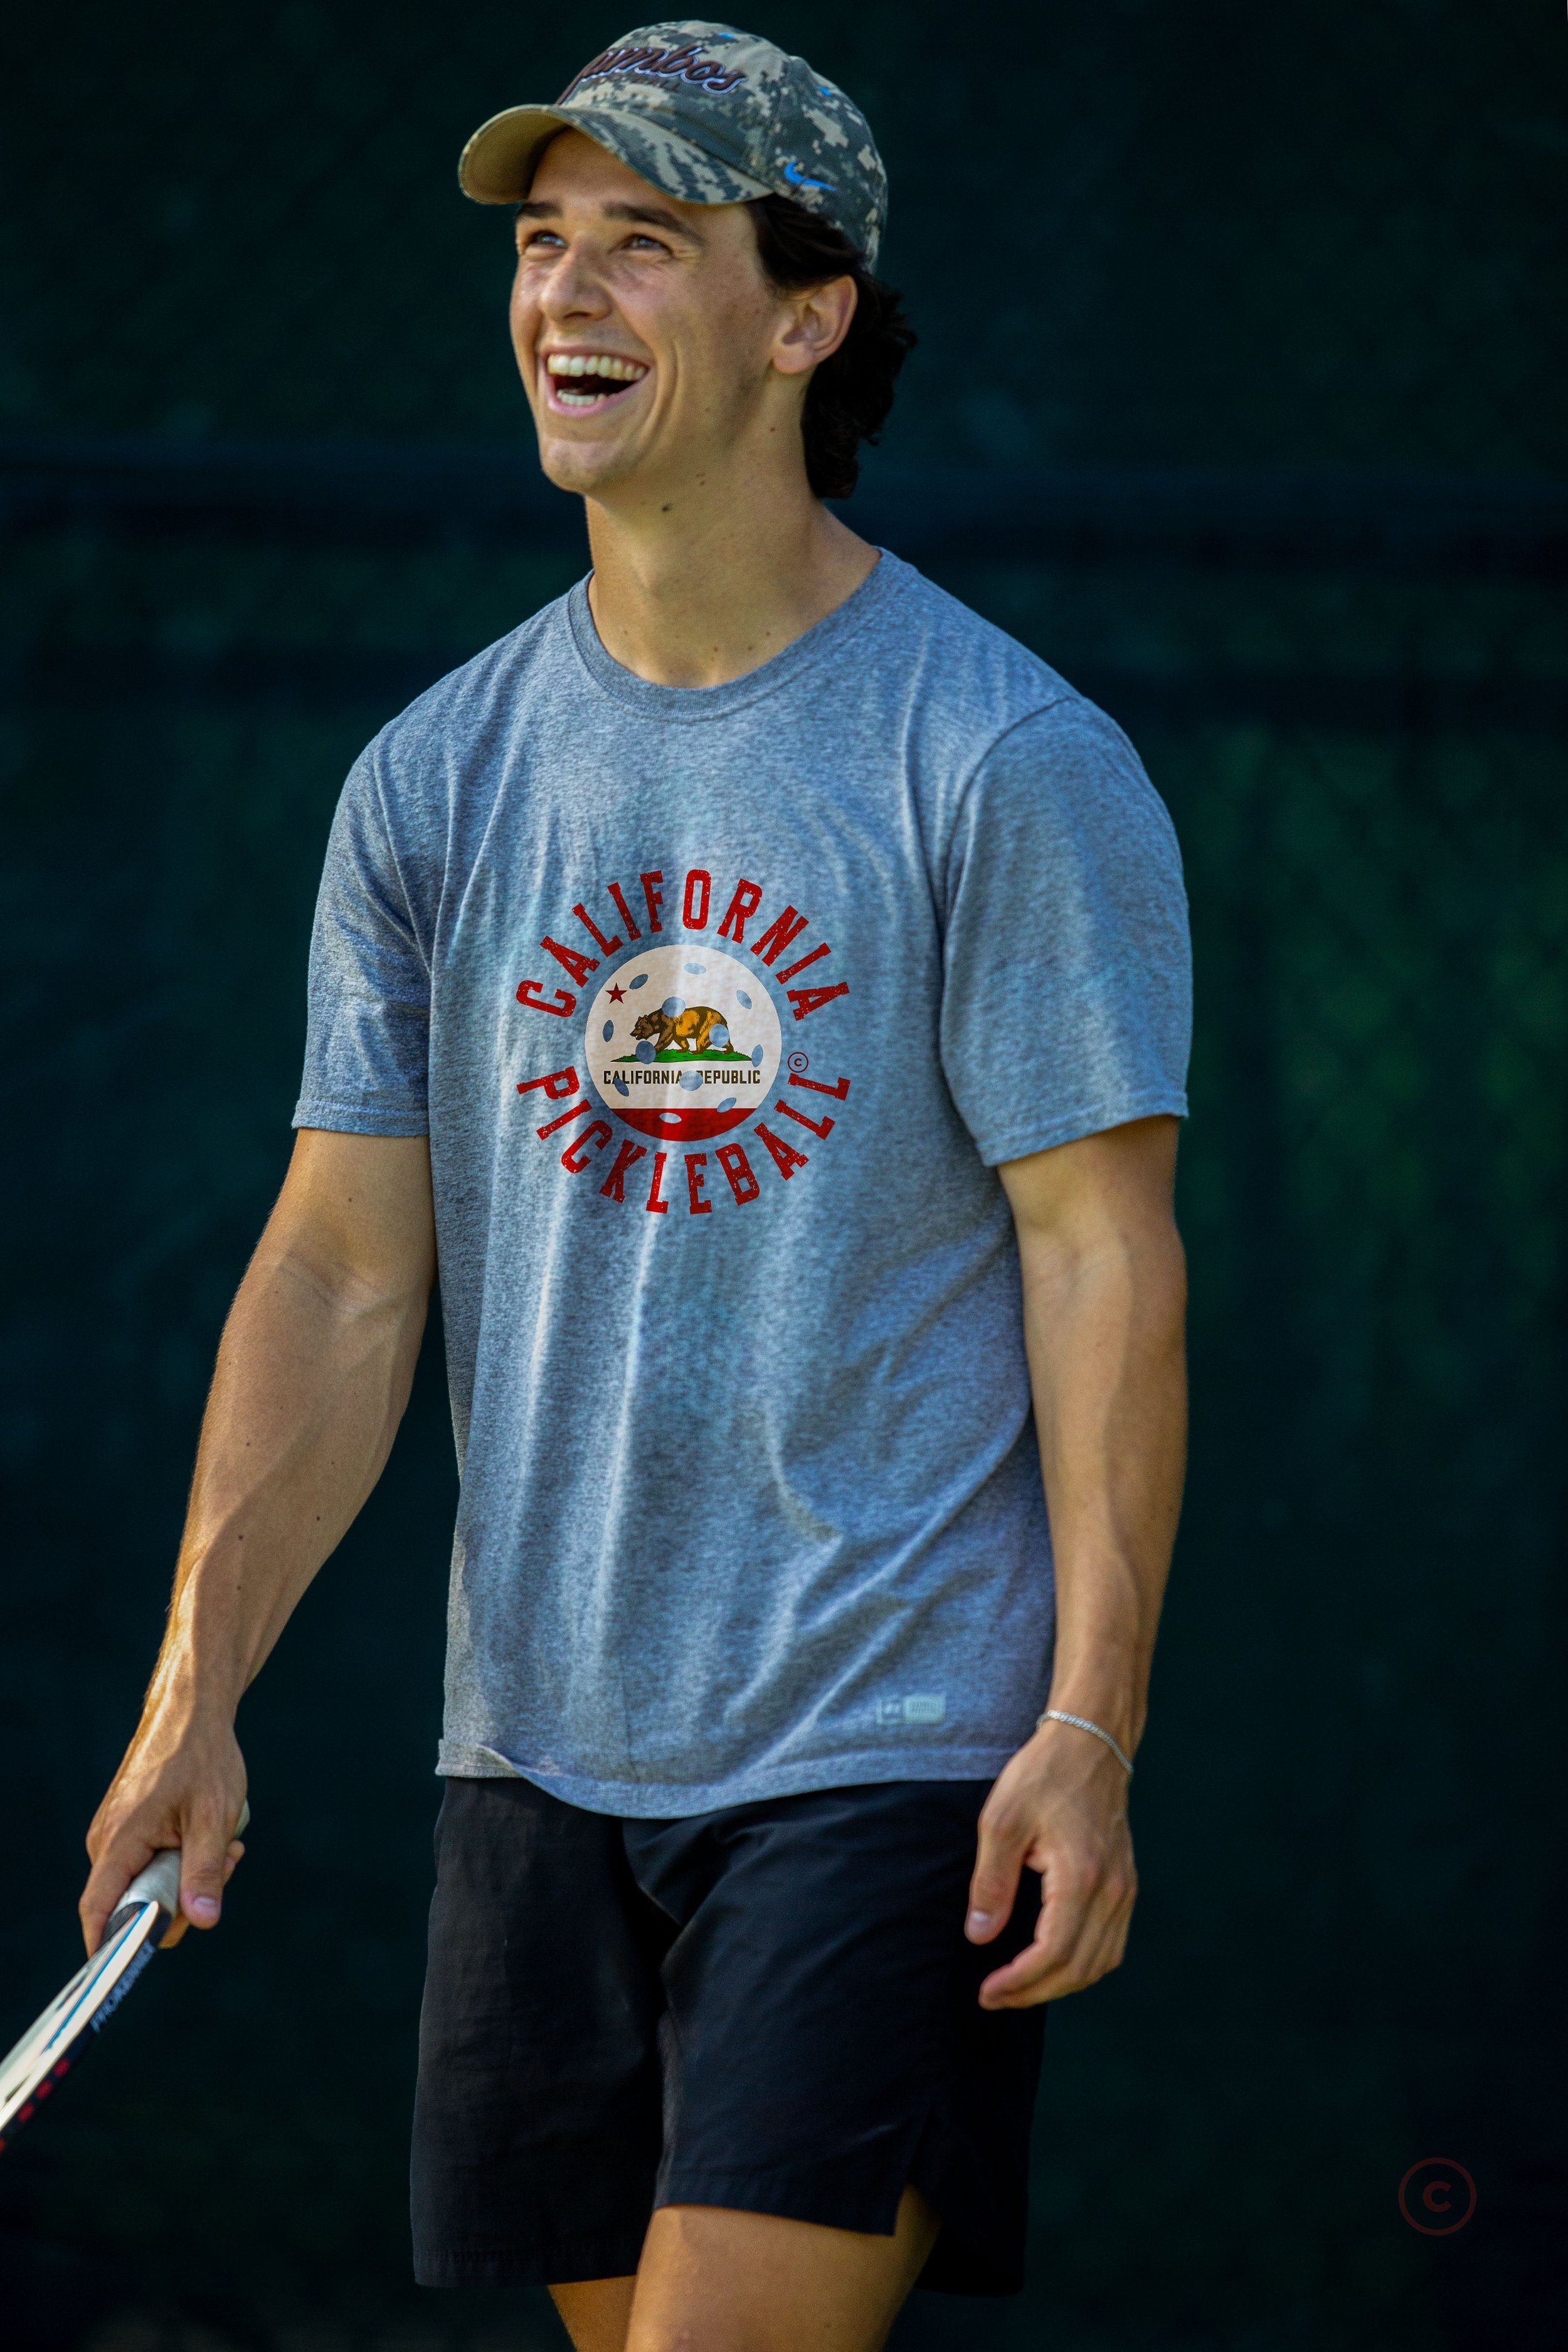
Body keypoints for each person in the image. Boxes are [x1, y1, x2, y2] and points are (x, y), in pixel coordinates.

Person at [79, 23, 1191, 2352]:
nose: (565, 294)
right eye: (542, 241)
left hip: (897, 1759)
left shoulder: (1006, 758)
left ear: (806, 315)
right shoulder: (426, 782)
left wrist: (1084, 1727)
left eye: (647, 245)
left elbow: (1103, 1256)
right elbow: (342, 1275)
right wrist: (201, 1691)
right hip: (540, 1754)